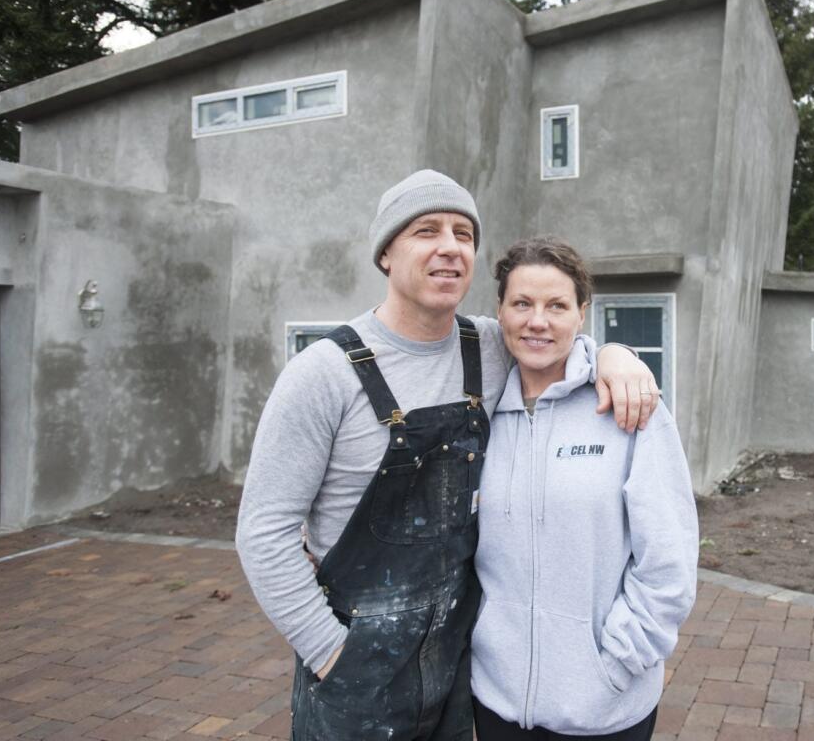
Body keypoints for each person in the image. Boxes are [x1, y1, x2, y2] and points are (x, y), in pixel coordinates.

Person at [235, 171, 659, 741]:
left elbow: (553, 333)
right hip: (354, 674)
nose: (450, 247)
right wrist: (329, 651)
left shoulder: (488, 346)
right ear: (386, 253)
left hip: (460, 671)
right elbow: (265, 532)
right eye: (426, 230)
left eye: (464, 233)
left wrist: (615, 354)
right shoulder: (322, 374)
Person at [471, 237, 699, 740]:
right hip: (497, 699)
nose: (538, 321)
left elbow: (668, 563)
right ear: (500, 312)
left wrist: (615, 666)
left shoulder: (629, 408)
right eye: (522, 304)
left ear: (582, 314)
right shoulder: (479, 416)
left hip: (603, 706)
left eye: (557, 305)